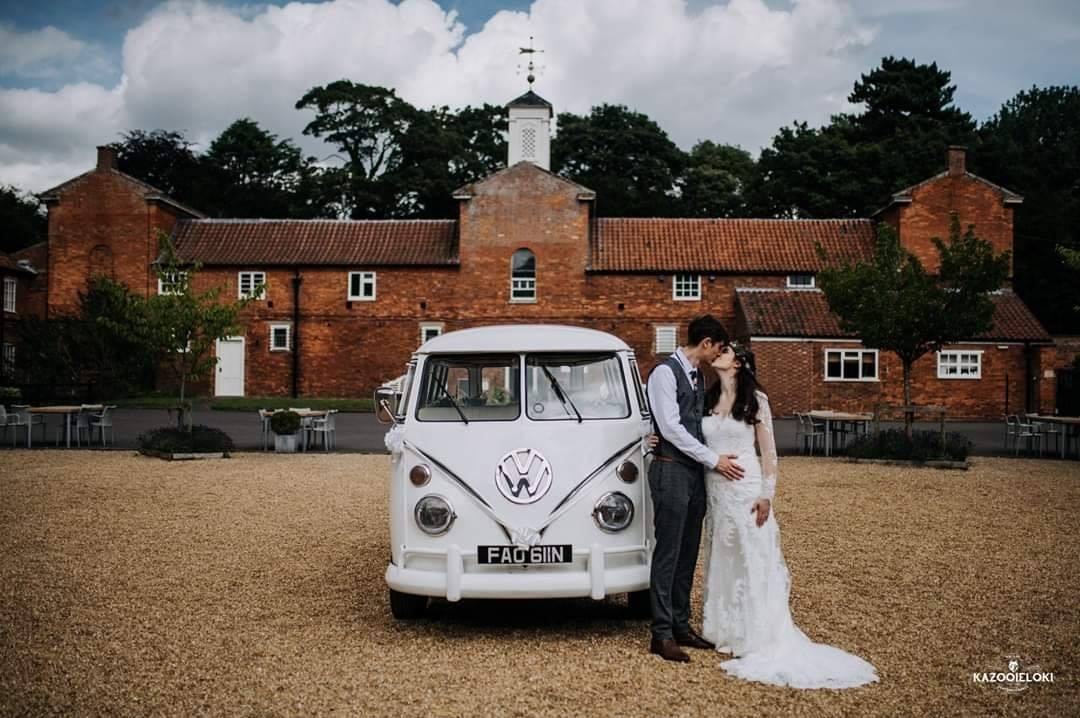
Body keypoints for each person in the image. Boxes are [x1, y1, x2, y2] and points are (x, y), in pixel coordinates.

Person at [699, 340, 879, 688]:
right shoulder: (706, 400)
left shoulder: (756, 401)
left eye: (725, 352)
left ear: (738, 364)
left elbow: (769, 452)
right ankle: (723, 628)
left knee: (753, 556)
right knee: (723, 554)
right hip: (716, 492)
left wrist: (768, 495)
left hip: (746, 489)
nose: (718, 355)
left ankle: (756, 633)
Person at [645, 315, 743, 663]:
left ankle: (681, 624)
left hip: (693, 475)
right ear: (705, 344)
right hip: (670, 471)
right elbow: (669, 427)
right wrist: (713, 459)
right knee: (668, 552)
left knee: (688, 552)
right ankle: (661, 633)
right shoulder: (663, 373)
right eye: (717, 347)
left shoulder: (698, 377)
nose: (717, 354)